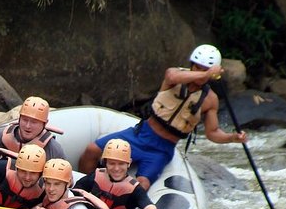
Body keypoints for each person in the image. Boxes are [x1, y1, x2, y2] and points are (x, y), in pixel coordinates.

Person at [78, 44, 247, 190]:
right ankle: (85, 189)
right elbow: (171, 76)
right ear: (192, 65)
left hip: (162, 149)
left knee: (142, 184)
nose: (201, 73)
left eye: (205, 70)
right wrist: (206, 74)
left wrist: (232, 137)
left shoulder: (210, 99)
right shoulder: (175, 75)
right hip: (141, 134)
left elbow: (213, 132)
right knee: (92, 150)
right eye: (198, 68)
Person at [75, 139, 167, 209]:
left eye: (121, 164)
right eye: (112, 163)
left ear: (129, 163)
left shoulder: (134, 188)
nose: (116, 168)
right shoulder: (96, 176)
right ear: (105, 163)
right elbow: (75, 192)